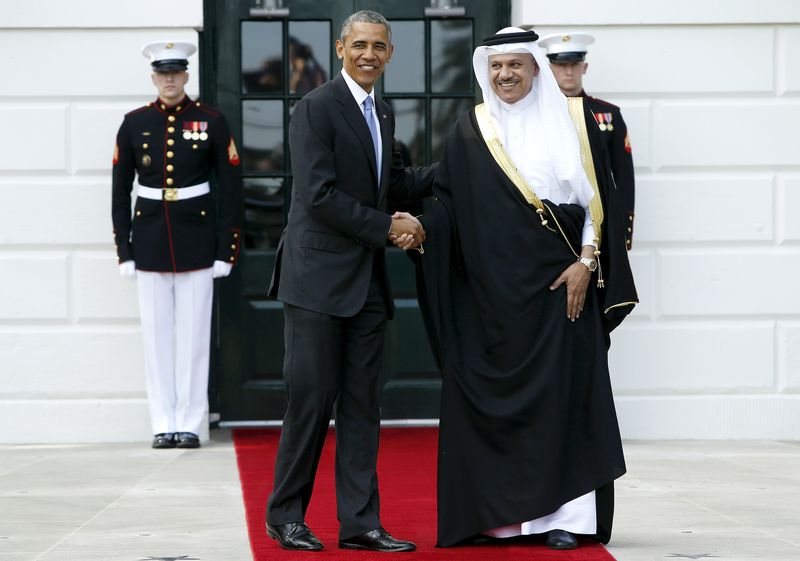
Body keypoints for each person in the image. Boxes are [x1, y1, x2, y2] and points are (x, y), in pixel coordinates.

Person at [410, 27, 638, 549]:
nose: (506, 74)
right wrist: (418, 229)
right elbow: (449, 206)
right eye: (497, 66)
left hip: (561, 289)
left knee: (566, 398)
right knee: (491, 396)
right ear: (485, 71)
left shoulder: (573, 124)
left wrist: (587, 263)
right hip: (490, 297)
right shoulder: (471, 129)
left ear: (536, 68)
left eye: (516, 65)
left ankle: (568, 520)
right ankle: (502, 519)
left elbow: (597, 205)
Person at [265, 10, 436, 553]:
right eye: (359, 44)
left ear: (390, 53)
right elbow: (319, 195)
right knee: (311, 402)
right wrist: (389, 228)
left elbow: (391, 185)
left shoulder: (382, 112)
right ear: (340, 48)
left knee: (363, 407)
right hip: (316, 280)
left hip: (365, 284)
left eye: (379, 46)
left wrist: (464, 162)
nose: (369, 54)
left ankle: (360, 523)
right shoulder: (315, 108)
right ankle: (285, 515)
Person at [111, 41, 243, 449]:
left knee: (193, 336)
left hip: (198, 239)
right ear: (154, 77)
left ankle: (190, 422)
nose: (169, 79)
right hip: (149, 239)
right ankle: (162, 422)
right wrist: (124, 249)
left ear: (186, 75)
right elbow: (119, 190)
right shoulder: (134, 123)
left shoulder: (211, 121)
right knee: (156, 338)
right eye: (162, 73)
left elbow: (231, 190)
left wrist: (227, 249)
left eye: (176, 72)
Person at [538, 32, 636, 250]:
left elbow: (623, 176)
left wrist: (622, 226)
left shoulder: (608, 114)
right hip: (551, 214)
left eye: (574, 63)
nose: (569, 71)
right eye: (561, 64)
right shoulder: (537, 114)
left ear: (585, 67)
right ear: (550, 68)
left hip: (598, 214)